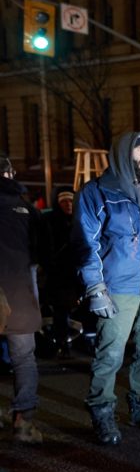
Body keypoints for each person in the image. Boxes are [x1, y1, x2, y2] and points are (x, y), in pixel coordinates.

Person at [71, 131, 140, 444]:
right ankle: (102, 411)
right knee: (110, 353)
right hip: (118, 286)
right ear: (123, 153)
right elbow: (84, 242)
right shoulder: (97, 192)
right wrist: (95, 288)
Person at [0, 156, 44, 443]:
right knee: (24, 358)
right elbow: (43, 253)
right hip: (19, 292)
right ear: (10, 173)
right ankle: (23, 423)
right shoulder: (27, 209)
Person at [42, 186, 79, 357]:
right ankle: (62, 342)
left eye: (71, 200)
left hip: (76, 271)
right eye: (64, 201)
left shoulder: (79, 220)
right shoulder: (50, 221)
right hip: (59, 273)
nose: (68, 204)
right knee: (61, 310)